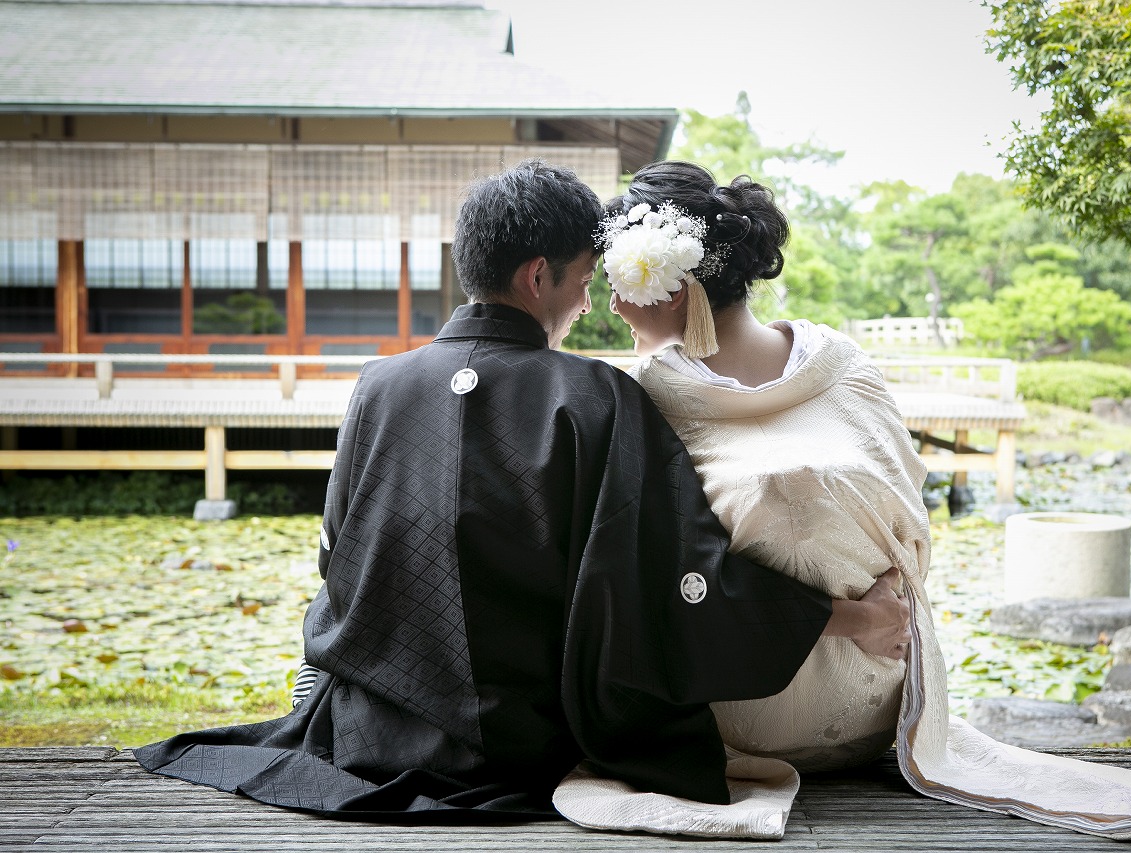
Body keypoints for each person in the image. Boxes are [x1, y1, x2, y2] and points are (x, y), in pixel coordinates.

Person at [133, 159, 908, 825]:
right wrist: (842, 617)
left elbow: (337, 558)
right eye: (584, 280)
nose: (589, 303)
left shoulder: (378, 384)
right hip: (523, 745)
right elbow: (674, 583)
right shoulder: (595, 396)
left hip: (368, 731)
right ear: (539, 277)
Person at [558, 159, 1131, 840]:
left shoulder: (800, 375)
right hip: (866, 685)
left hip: (772, 720)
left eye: (619, 282)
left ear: (670, 287)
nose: (612, 306)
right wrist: (858, 615)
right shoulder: (776, 376)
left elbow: (664, 586)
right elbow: (908, 529)